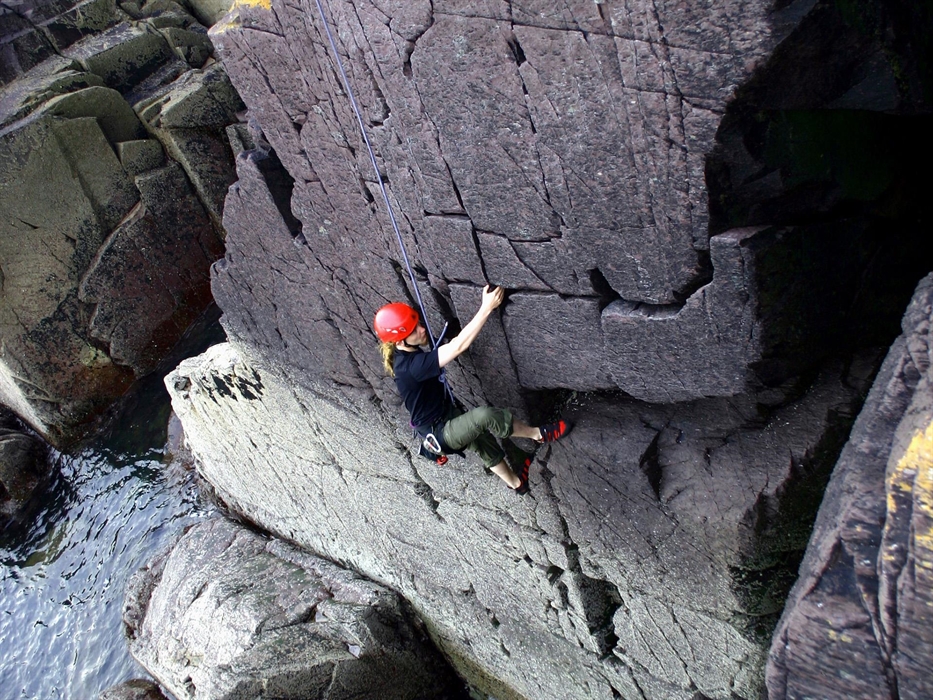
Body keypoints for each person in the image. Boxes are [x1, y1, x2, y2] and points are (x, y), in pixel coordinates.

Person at [374, 285, 567, 493]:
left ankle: (517, 484)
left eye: (419, 323)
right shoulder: (411, 367)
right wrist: (486, 308)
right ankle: (537, 434)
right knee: (483, 416)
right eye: (415, 330)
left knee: (481, 440)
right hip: (439, 433)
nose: (422, 329)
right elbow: (458, 347)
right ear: (400, 340)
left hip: (443, 416)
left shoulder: (404, 352)